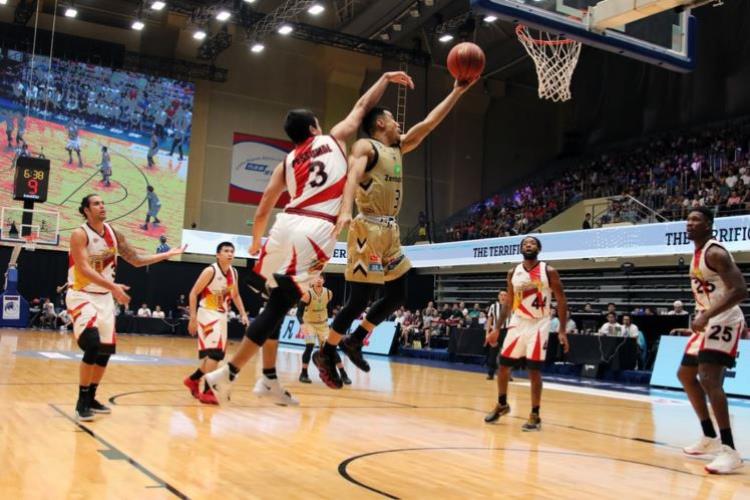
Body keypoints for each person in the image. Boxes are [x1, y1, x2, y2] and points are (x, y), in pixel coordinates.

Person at [204, 70, 415, 404]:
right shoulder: (333, 139)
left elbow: (262, 208)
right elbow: (362, 105)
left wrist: (256, 243)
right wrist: (386, 79)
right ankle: (226, 375)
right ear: (315, 128)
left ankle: (268, 379)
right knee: (277, 308)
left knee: (275, 304)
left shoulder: (286, 162)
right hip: (313, 229)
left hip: (282, 225)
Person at [314, 76, 478, 389]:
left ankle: (355, 340)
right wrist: (346, 210)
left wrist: (458, 89)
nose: (397, 122)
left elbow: (429, 123)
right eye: (391, 118)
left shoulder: (397, 149)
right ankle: (326, 351)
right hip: (368, 227)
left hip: (390, 230)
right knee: (357, 300)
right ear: (379, 123)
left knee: (398, 293)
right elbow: (351, 177)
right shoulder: (367, 146)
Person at [67, 194, 184, 421]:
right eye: (96, 204)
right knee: (92, 344)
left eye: (103, 202)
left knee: (105, 352)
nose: (102, 206)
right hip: (81, 294)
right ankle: (82, 401)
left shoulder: (113, 234)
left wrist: (167, 254)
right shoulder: (79, 234)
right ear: (86, 211)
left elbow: (137, 260)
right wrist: (113, 286)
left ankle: (91, 397)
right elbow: (83, 268)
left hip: (104, 298)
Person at [677, 207, 746, 474]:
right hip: (708, 318)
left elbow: (740, 290)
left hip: (723, 319)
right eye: (688, 219)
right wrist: (704, 315)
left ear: (709, 225)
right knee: (685, 374)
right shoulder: (697, 253)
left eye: (696, 219)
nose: (690, 223)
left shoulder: (715, 252)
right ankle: (709, 436)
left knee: (708, 379)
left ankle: (730, 451)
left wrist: (707, 315)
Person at [484, 236, 569, 431]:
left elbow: (562, 300)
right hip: (518, 321)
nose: (527, 245)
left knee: (534, 370)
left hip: (540, 323)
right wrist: (496, 328)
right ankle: (502, 404)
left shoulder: (549, 271)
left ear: (538, 248)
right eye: (524, 244)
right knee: (503, 365)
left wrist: (563, 330)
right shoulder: (513, 272)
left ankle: (535, 415)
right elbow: (508, 302)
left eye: (531, 243)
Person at [185, 242, 248, 405]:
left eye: (232, 251)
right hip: (207, 312)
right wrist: (192, 318)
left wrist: (242, 313)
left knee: (217, 355)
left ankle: (193, 380)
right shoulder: (210, 270)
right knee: (215, 354)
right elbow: (193, 293)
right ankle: (207, 391)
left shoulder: (234, 272)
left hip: (221, 314)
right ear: (218, 254)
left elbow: (235, 295)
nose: (230, 253)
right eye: (226, 251)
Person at [297, 276, 350, 385]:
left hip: (323, 325)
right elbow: (299, 313)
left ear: (324, 280)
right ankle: (304, 373)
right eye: (316, 278)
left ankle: (343, 374)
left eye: (321, 278)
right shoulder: (307, 294)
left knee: (331, 349)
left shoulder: (329, 293)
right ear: (312, 281)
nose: (319, 280)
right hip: (309, 324)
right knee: (310, 346)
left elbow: (328, 308)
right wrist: (302, 325)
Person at [485, 290, 509, 381]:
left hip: (507, 331)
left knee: (507, 354)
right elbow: (490, 320)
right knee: (493, 352)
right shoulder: (493, 306)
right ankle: (491, 373)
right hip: (496, 331)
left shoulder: (510, 306)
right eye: (501, 295)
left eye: (505, 295)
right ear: (498, 296)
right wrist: (487, 333)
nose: (503, 296)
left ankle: (508, 374)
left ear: (507, 297)